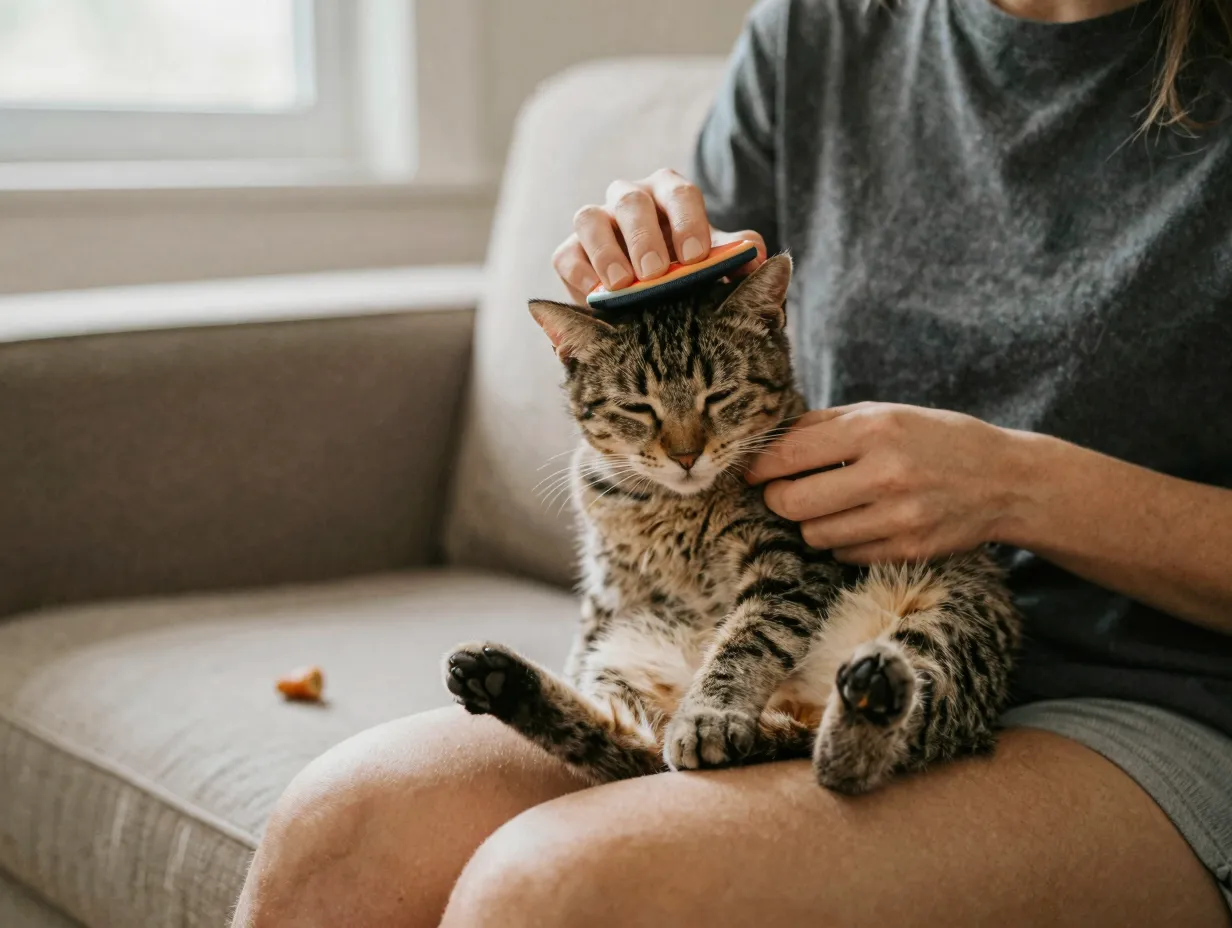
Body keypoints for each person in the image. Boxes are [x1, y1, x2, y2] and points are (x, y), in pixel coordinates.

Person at [232, 0, 1232, 924]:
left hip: (1157, 695)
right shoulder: (821, 32)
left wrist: (1019, 487)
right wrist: (635, 257)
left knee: (551, 893)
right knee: (341, 829)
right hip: (787, 639)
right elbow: (692, 329)